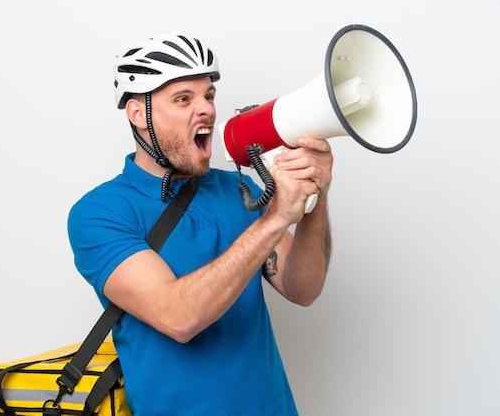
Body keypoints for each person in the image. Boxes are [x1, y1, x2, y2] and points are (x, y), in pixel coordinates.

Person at [67, 31, 333, 415]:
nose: (206, 109)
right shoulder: (100, 212)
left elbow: (303, 288)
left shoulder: (237, 188)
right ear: (139, 114)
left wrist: (315, 197)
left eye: (208, 96)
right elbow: (178, 318)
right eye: (183, 99)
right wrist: (275, 219)